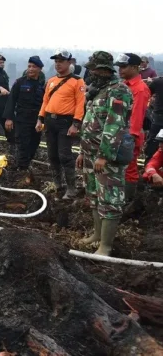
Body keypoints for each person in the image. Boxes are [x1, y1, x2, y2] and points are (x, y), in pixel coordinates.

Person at [77, 51, 132, 256]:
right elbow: (88, 124)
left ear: (104, 70)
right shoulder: (97, 91)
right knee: (94, 195)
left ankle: (105, 247)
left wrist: (103, 155)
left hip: (107, 157)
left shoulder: (118, 91)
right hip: (90, 155)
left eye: (93, 69)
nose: (90, 72)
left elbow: (114, 125)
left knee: (110, 199)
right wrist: (83, 152)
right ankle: (97, 235)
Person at [37, 51, 86, 199]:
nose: (58, 64)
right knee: (52, 155)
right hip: (50, 121)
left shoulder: (77, 81)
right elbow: (45, 101)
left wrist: (76, 124)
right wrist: (40, 119)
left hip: (65, 122)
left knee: (64, 155)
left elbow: (80, 103)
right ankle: (58, 184)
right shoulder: (51, 80)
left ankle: (71, 189)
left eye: (61, 61)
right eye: (56, 61)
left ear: (69, 63)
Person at [117, 53, 151, 199]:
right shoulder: (123, 85)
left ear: (135, 68)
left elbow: (137, 117)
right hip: (117, 132)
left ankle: (127, 201)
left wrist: (130, 137)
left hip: (129, 134)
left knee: (129, 168)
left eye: (124, 67)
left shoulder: (140, 89)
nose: (120, 70)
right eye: (119, 67)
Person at [3, 56, 46, 170]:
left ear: (39, 69)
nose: (30, 69)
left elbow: (45, 104)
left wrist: (42, 120)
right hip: (22, 119)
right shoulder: (19, 83)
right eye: (29, 66)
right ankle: (21, 169)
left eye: (34, 67)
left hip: (36, 120)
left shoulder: (43, 85)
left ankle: (26, 164)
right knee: (22, 145)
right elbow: (11, 100)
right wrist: (9, 118)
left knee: (34, 144)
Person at [145, 75, 163, 165]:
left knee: (153, 141)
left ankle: (148, 167)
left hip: (158, 117)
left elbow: (148, 93)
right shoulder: (158, 82)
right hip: (158, 117)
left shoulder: (157, 82)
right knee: (153, 141)